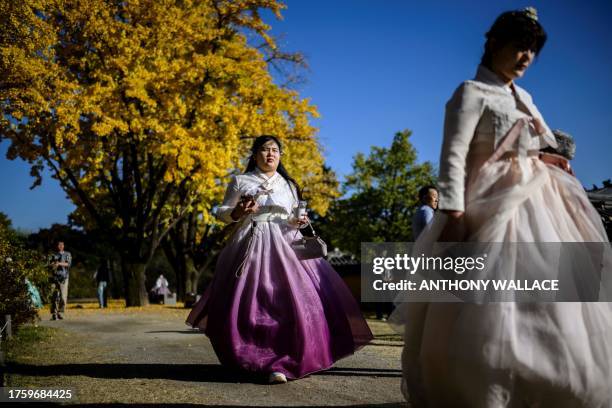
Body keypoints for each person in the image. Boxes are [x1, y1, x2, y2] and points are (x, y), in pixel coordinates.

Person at [392, 7, 612, 407]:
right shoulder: (470, 92)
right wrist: (455, 214)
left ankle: (538, 389)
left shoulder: (525, 96)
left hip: (536, 202)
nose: (526, 57)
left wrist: (552, 161)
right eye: (520, 46)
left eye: (532, 50)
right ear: (494, 43)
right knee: (482, 305)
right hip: (485, 204)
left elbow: (542, 144)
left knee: (546, 301)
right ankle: (480, 389)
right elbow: (453, 157)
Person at [187, 135, 373, 384]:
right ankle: (250, 358)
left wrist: (300, 221)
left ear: (280, 155)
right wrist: (238, 211)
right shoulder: (241, 181)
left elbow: (294, 215)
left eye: (275, 150)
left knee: (293, 302)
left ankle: (284, 362)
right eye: (264, 150)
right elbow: (221, 212)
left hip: (286, 244)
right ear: (255, 155)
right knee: (251, 302)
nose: (270, 154)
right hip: (251, 241)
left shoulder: (289, 184)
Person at [49, 241, 71, 320]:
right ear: (57, 246)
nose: (60, 246)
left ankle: (60, 312)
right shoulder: (53, 255)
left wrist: (59, 263)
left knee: (63, 297)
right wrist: (53, 265)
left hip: (64, 278)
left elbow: (68, 264)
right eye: (59, 245)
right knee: (54, 296)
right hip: (54, 278)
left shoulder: (67, 254)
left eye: (62, 245)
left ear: (64, 246)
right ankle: (54, 313)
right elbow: (49, 264)